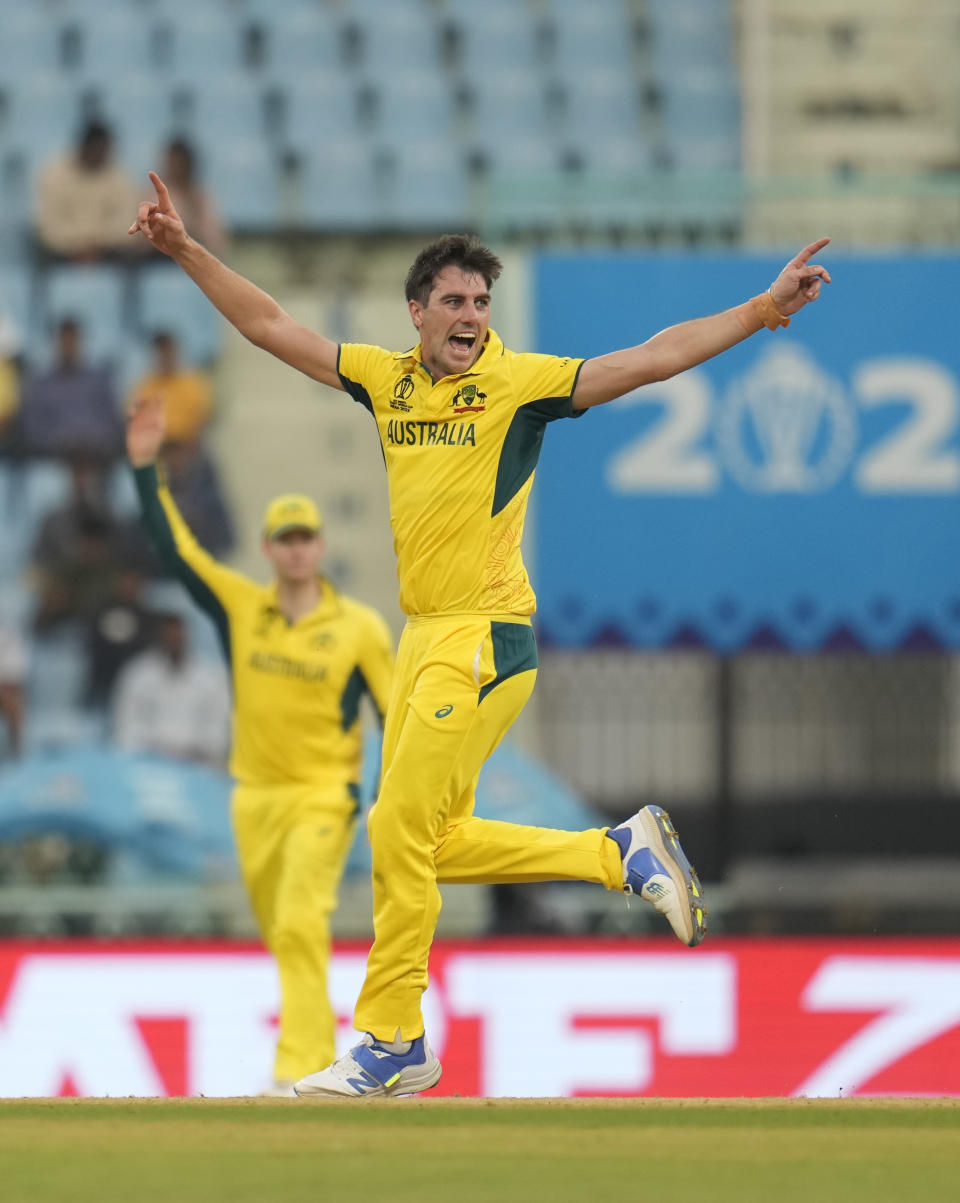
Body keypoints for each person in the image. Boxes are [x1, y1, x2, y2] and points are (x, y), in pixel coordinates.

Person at [129, 172, 831, 1098]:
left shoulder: (518, 385)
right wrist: (184, 250)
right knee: (428, 837)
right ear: (416, 311)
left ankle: (389, 1038)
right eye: (453, 300)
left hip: (485, 636)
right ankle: (614, 852)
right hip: (424, 638)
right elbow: (267, 324)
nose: (471, 314)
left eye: (481, 301)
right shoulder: (384, 380)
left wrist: (756, 311)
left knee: (396, 827)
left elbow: (649, 358)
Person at [125, 393, 395, 1095]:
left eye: (308, 536)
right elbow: (178, 555)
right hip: (253, 801)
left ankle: (300, 1068)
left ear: (321, 546)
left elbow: (398, 715)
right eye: (287, 537)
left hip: (322, 796)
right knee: (284, 929)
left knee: (303, 918)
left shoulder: (361, 626)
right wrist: (144, 471)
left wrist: (394, 798)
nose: (299, 547)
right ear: (270, 548)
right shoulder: (244, 607)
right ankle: (322, 1058)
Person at [111, 611, 231, 767]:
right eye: (169, 636)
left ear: (187, 637)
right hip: (148, 762)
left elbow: (219, 724)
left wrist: (200, 751)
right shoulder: (138, 673)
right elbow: (125, 723)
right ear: (160, 637)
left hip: (198, 763)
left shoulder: (211, 677)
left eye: (178, 636)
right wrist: (150, 751)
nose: (174, 640)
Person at [19, 318, 124, 464]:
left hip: (96, 459)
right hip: (53, 460)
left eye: (72, 340)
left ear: (81, 342)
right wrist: (61, 442)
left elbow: (114, 423)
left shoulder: (99, 381)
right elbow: (32, 428)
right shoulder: (41, 384)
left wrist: (91, 442)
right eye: (64, 341)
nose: (68, 346)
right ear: (55, 343)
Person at [35, 120, 141, 263]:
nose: (100, 155)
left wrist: (97, 245)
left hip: (106, 251)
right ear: (84, 147)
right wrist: (78, 245)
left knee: (133, 256)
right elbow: (49, 226)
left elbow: (126, 223)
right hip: (63, 252)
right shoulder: (54, 174)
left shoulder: (118, 176)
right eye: (96, 150)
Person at [127, 330, 215, 450]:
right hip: (158, 449)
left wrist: (186, 448)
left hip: (187, 448)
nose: (164, 355)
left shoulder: (193, 384)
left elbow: (203, 421)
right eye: (160, 350)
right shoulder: (146, 386)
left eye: (167, 349)